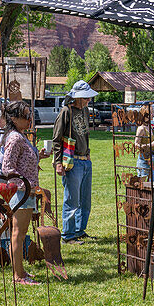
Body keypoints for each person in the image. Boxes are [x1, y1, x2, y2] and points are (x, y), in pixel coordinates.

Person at [1, 100, 48, 285]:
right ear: (14, 118)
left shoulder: (21, 136)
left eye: (30, 115)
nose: (30, 119)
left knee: (21, 233)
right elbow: (7, 168)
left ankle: (20, 271)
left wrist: (39, 155)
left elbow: (23, 162)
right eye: (26, 116)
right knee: (18, 234)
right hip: (21, 192)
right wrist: (24, 184)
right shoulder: (14, 138)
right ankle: (18, 276)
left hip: (26, 192)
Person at [53, 80, 95, 244]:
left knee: (84, 200)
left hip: (85, 160)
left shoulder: (84, 111)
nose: (88, 100)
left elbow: (85, 134)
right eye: (85, 97)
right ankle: (68, 235)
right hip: (72, 161)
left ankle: (79, 230)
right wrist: (57, 162)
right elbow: (57, 139)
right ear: (76, 97)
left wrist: (88, 153)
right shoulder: (66, 111)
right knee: (72, 199)